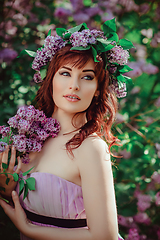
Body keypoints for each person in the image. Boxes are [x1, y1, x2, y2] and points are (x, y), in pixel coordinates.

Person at [0, 20, 132, 240]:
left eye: (87, 77)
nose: (74, 85)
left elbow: (105, 236)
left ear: (99, 90)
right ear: (50, 78)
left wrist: (29, 230)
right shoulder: (29, 136)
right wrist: (6, 185)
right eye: (65, 73)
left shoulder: (90, 147)